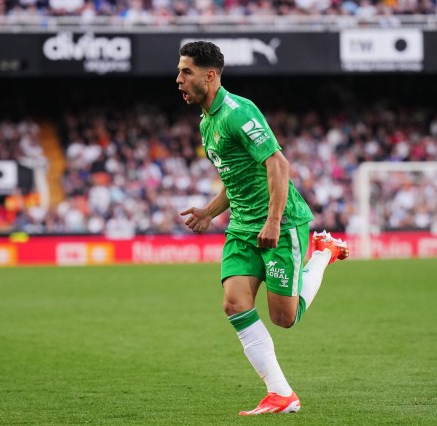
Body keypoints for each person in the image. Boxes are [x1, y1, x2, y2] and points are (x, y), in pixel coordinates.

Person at [176, 41, 349, 416]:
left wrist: (272, 221)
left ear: (210, 75)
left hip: (280, 223)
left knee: (284, 318)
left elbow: (278, 165)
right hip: (242, 227)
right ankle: (281, 394)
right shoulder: (206, 122)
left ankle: (323, 253)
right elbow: (237, 177)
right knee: (234, 303)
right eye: (179, 72)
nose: (179, 79)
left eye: (186, 72)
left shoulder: (239, 112)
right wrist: (209, 212)